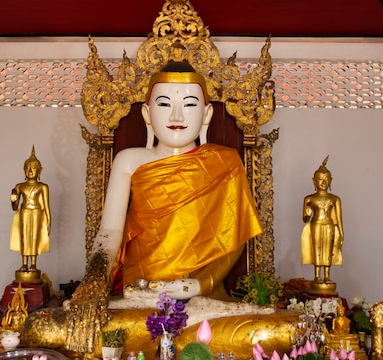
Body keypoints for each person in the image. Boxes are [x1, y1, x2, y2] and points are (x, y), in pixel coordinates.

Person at [62, 60, 263, 353]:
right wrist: (93, 284)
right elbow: (109, 232)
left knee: (263, 333)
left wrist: (197, 285)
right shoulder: (129, 160)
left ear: (206, 115)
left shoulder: (225, 163)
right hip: (139, 296)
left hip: (201, 300)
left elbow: (235, 239)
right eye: (165, 103)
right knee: (71, 327)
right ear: (146, 113)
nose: (177, 115)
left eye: (190, 104)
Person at [301, 156, 343, 285]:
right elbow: (305, 219)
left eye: (326, 180)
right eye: (320, 180)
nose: (323, 183)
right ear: (314, 182)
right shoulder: (309, 198)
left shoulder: (334, 199)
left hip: (329, 225)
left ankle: (327, 276)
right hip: (316, 224)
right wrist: (307, 213)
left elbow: (339, 219)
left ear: (331, 181)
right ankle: (317, 275)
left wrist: (341, 233)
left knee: (328, 250)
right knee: (317, 249)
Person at [10, 146, 51, 273]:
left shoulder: (42, 187)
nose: (30, 170)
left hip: (37, 212)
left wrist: (49, 221)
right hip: (24, 211)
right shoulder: (19, 186)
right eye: (28, 167)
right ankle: (24, 263)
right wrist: (13, 199)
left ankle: (33, 263)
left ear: (40, 171)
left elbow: (46, 205)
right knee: (24, 237)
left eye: (33, 167)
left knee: (34, 237)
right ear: (24, 170)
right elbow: (15, 207)